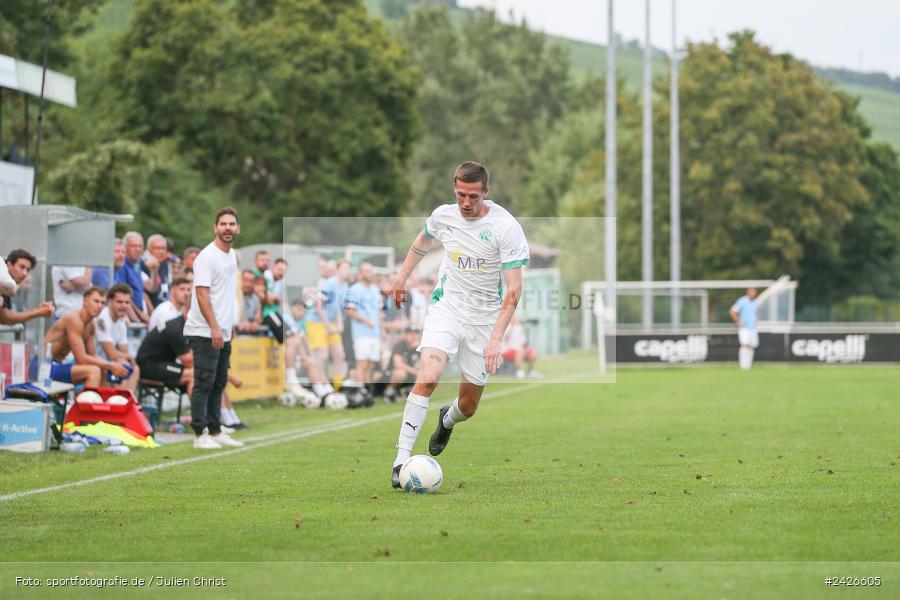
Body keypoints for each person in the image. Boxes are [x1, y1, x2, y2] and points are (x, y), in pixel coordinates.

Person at [388, 162, 529, 488]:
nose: (466, 202)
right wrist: (401, 277)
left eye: (473, 196)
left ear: (486, 193)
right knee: (428, 377)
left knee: (468, 405)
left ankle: (447, 421)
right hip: (446, 310)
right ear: (454, 189)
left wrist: (496, 340)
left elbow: (514, 290)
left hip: (483, 321)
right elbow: (421, 242)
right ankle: (400, 460)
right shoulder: (443, 216)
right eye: (460, 195)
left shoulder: (505, 227)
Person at [183, 207, 244, 449]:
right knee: (203, 382)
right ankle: (200, 434)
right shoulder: (206, 257)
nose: (227, 228)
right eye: (223, 224)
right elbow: (202, 295)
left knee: (219, 382)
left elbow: (226, 295)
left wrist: (230, 325)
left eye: (232, 224)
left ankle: (216, 430)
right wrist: (215, 328)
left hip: (223, 330)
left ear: (237, 228)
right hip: (205, 331)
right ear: (215, 228)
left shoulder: (230, 255)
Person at [29, 287, 130, 387]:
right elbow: (81, 359)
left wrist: (112, 364)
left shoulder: (91, 325)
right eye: (96, 301)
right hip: (42, 366)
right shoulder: (73, 319)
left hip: (58, 365)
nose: (99, 306)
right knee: (93, 371)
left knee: (102, 369)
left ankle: (100, 401)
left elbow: (92, 355)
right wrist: (111, 365)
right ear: (85, 301)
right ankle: (86, 402)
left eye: (102, 303)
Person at [305, 258, 351, 391]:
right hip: (317, 322)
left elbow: (337, 307)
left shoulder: (344, 286)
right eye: (344, 268)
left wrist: (339, 323)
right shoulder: (330, 283)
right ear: (337, 269)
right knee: (322, 355)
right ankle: (321, 387)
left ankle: (337, 387)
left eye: (348, 269)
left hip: (330, 322)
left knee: (339, 355)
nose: (347, 271)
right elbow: (319, 304)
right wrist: (328, 325)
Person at [94, 284, 141, 390]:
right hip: (95, 362)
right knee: (122, 366)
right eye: (119, 302)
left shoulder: (121, 321)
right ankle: (118, 402)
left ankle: (124, 402)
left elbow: (124, 351)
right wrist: (127, 358)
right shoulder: (102, 318)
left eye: (127, 303)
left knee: (134, 369)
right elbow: (112, 354)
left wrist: (127, 359)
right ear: (110, 302)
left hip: (108, 363)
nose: (124, 306)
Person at [346, 262, 382, 389]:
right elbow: (350, 311)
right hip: (361, 333)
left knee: (371, 364)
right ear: (360, 274)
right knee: (361, 363)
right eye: (367, 271)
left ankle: (367, 391)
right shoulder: (354, 289)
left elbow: (379, 312)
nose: (370, 273)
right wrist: (366, 321)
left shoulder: (375, 289)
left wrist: (381, 330)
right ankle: (359, 390)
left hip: (375, 333)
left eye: (371, 270)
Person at [0, 250, 54, 326]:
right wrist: (38, 312)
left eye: (27, 270)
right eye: (21, 267)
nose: (25, 274)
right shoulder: (3, 279)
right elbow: (6, 318)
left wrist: (38, 311)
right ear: (9, 265)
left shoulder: (7, 286)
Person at [116, 232, 154, 323]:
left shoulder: (137, 264)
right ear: (125, 247)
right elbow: (123, 294)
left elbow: (148, 289)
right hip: (128, 318)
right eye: (134, 246)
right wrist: (138, 315)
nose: (138, 249)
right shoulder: (121, 264)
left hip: (139, 317)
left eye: (140, 246)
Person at [382, 328, 422, 403]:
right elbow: (398, 364)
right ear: (405, 335)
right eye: (410, 334)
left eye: (415, 334)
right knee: (401, 373)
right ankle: (390, 392)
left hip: (409, 375)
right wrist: (415, 372)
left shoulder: (419, 347)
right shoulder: (400, 345)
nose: (413, 336)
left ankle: (414, 394)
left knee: (424, 373)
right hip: (391, 375)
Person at [730, 287, 760, 370]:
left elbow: (757, 313)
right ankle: (743, 366)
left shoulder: (756, 302)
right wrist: (738, 321)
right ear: (748, 292)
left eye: (754, 292)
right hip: (744, 328)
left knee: (752, 345)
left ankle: (749, 365)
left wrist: (756, 319)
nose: (753, 293)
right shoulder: (742, 301)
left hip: (753, 327)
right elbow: (732, 311)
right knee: (744, 345)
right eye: (752, 291)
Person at [501, 314, 539, 379]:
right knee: (520, 351)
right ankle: (518, 371)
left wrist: (526, 347)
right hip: (507, 350)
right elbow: (505, 338)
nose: (515, 319)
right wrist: (512, 328)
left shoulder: (520, 327)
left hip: (520, 350)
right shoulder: (507, 327)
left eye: (516, 318)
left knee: (533, 351)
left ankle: (531, 371)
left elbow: (524, 342)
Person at [144, 234, 171, 308]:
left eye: (163, 248)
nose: (161, 251)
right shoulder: (143, 265)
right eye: (157, 248)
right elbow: (151, 289)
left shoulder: (165, 265)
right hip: (151, 310)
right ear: (149, 249)